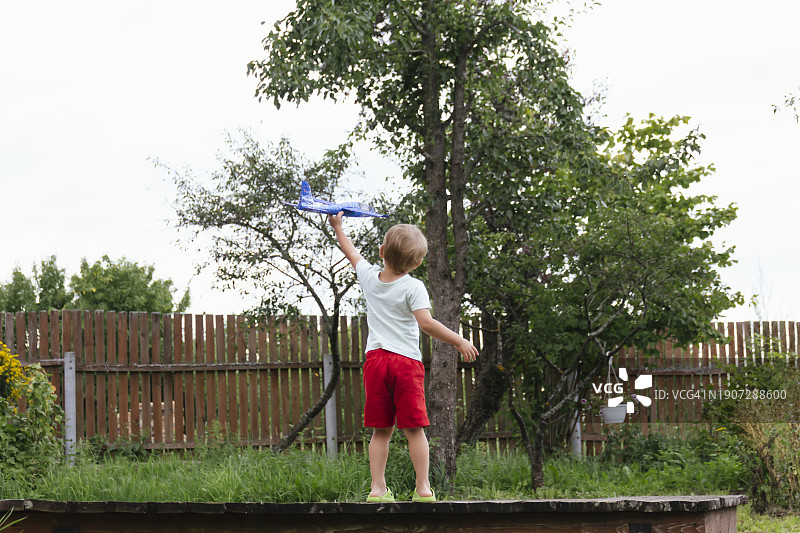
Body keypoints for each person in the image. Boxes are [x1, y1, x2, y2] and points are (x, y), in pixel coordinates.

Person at [327, 212, 479, 503]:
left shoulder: (370, 277)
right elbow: (426, 324)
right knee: (414, 430)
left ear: (381, 252)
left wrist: (338, 227)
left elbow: (350, 251)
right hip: (405, 364)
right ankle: (423, 488)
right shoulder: (413, 286)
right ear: (418, 262)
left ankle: (377, 489)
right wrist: (459, 340)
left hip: (376, 362)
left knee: (380, 431)